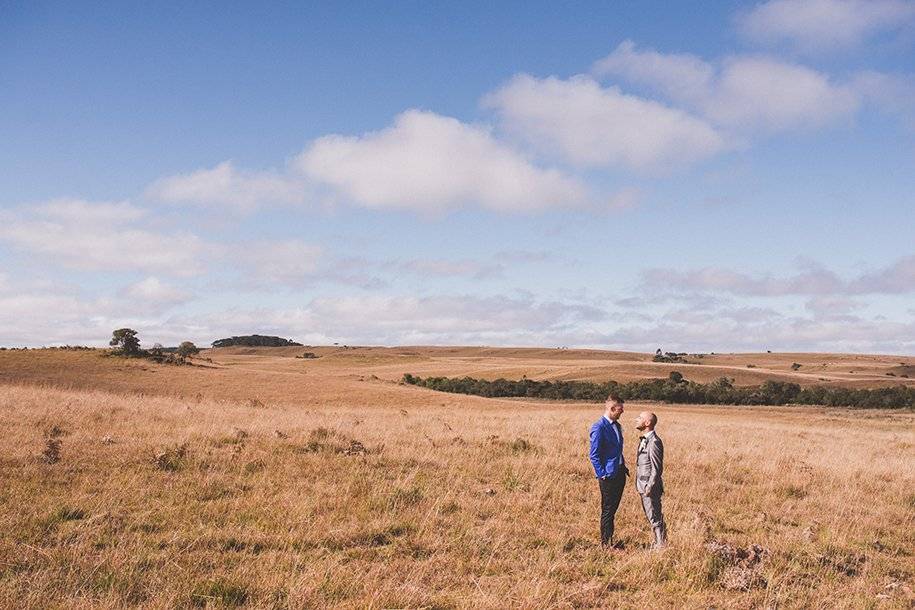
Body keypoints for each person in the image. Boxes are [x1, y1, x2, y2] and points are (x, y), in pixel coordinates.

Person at [589, 394, 627, 548]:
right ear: (612, 408)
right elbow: (594, 454)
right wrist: (602, 474)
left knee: (613, 509)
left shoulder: (617, 426)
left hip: (619, 472)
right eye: (620, 409)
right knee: (608, 509)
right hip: (608, 476)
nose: (622, 412)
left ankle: (610, 540)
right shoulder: (599, 427)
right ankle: (606, 543)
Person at [634, 411, 666, 549]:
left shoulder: (654, 442)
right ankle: (658, 542)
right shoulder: (645, 439)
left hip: (648, 486)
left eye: (640, 418)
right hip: (642, 485)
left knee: (654, 515)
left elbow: (657, 468)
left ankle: (661, 545)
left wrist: (649, 486)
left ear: (647, 423)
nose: (637, 419)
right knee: (650, 514)